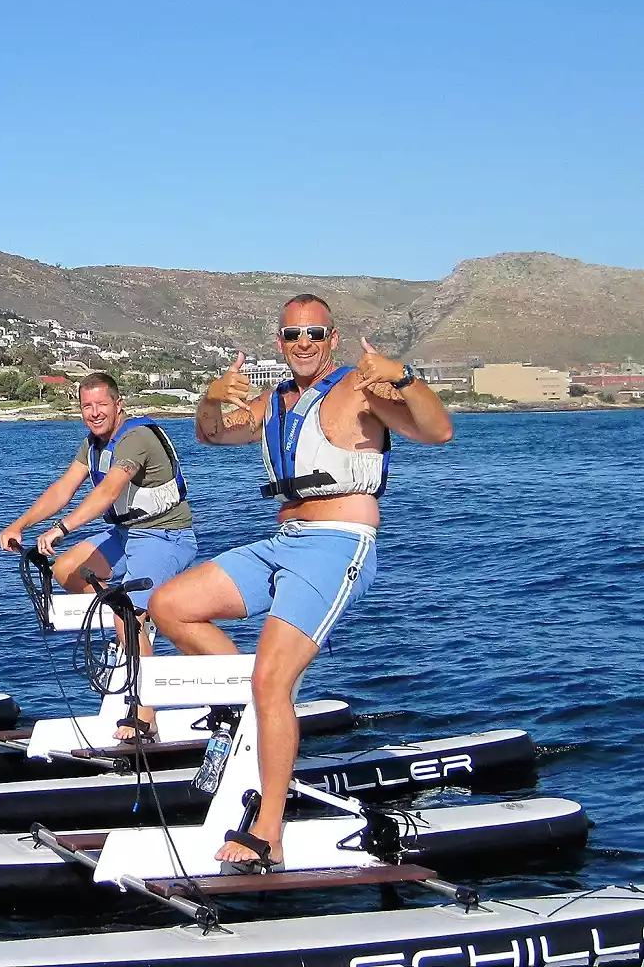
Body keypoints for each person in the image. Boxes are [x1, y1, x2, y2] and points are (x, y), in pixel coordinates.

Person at [148, 293, 454, 873]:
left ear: (332, 338)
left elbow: (437, 431)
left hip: (337, 545)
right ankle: (247, 709)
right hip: (283, 542)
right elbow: (212, 435)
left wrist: (404, 377)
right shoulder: (273, 402)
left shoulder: (361, 389)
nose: (304, 343)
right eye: (293, 334)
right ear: (280, 342)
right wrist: (210, 397)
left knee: (272, 678)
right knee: (170, 604)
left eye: (315, 333)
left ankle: (269, 831)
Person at [0, 372, 198, 741]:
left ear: (119, 404)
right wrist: (20, 524)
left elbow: (107, 493)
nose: (94, 412)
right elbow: (63, 488)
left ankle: (145, 713)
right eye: (87, 406)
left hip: (164, 534)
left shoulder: (136, 439)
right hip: (126, 533)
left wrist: (61, 529)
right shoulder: (92, 445)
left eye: (101, 404)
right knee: (67, 569)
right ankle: (132, 625)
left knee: (126, 617)